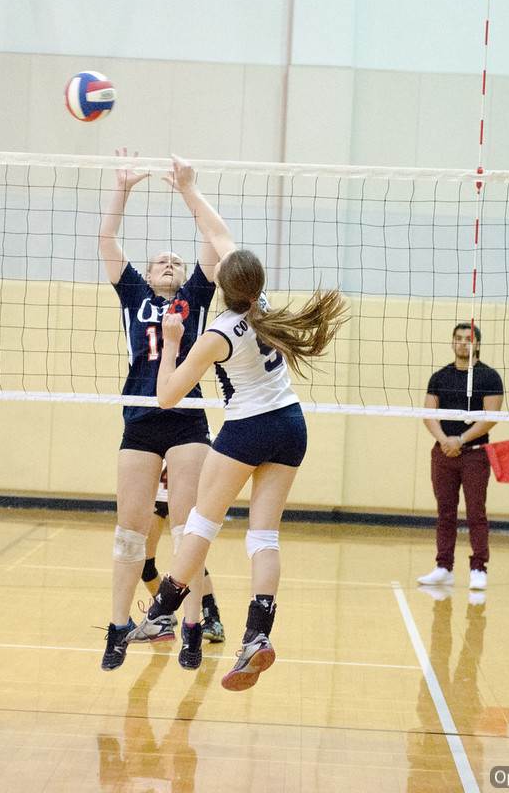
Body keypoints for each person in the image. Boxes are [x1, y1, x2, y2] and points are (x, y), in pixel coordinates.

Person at [126, 169, 350, 690]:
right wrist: (189, 189)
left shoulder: (217, 333)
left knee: (202, 524)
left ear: (221, 287)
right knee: (264, 534)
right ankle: (257, 634)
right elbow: (221, 234)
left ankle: (161, 614)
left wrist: (173, 339)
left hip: (247, 429)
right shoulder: (263, 307)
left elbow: (166, 396)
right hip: (292, 426)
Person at [99, 151, 225, 672]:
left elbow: (215, 247)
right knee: (131, 530)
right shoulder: (133, 294)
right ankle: (116, 628)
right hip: (140, 416)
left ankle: (192, 627)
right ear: (147, 274)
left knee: (186, 529)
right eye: (160, 261)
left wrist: (187, 189)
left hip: (189, 416)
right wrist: (123, 189)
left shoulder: (195, 297)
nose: (169, 264)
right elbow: (107, 243)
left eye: (175, 260)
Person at [417, 323, 503, 591]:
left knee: (476, 513)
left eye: (468, 339)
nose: (463, 343)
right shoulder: (440, 377)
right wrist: (444, 440)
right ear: (452, 342)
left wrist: (461, 440)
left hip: (475, 454)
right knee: (445, 513)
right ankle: (444, 567)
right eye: (458, 338)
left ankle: (479, 568)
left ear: (477, 343)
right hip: (443, 454)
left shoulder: (489, 377)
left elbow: (491, 418)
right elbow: (429, 414)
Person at [143, 461, 226, 643]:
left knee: (191, 561)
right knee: (144, 563)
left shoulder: (200, 437)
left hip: (184, 498)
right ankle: (163, 613)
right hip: (155, 497)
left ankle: (212, 618)